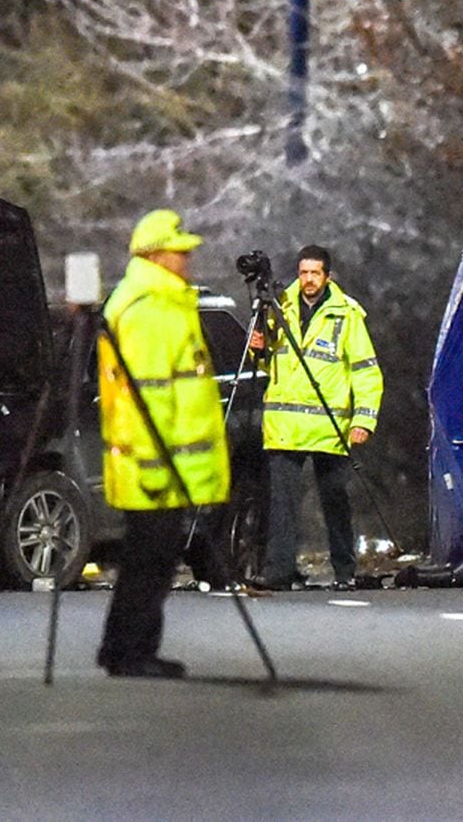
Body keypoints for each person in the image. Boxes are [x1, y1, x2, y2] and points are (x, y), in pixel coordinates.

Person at [96, 209, 230, 678]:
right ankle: (131, 651)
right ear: (156, 255)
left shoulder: (156, 302)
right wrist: (157, 470)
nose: (187, 259)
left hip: (160, 464)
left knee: (148, 560)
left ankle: (125, 647)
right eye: (180, 251)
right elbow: (148, 398)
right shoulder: (151, 309)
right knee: (149, 563)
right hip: (157, 467)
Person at [248, 245, 383, 590]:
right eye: (303, 272)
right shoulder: (279, 307)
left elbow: (365, 371)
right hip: (285, 424)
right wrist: (257, 350)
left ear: (327, 275)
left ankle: (344, 570)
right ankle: (278, 571)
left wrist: (363, 420)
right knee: (282, 506)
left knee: (335, 503)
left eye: (315, 273)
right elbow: (269, 366)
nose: (308, 279)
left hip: (329, 425)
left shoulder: (346, 314)